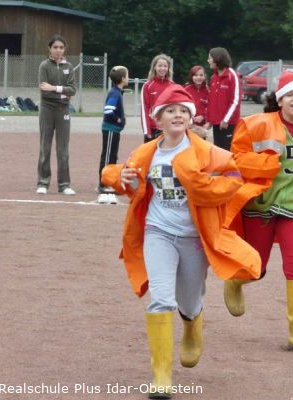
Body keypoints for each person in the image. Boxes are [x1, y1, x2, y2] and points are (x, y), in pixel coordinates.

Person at [101, 85, 260, 399]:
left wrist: (200, 185)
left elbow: (234, 179)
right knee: (161, 299)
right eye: (170, 111)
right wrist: (122, 180)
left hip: (194, 238)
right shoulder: (147, 152)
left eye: (183, 111)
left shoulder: (206, 151)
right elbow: (125, 178)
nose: (177, 115)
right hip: (157, 232)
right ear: (157, 119)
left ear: (191, 118)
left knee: (189, 301)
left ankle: (191, 325)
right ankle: (161, 376)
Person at [222, 71, 293, 355]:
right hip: (260, 207)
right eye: (290, 95)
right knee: (256, 268)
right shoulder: (258, 124)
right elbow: (235, 158)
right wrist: (264, 165)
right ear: (279, 99)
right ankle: (235, 282)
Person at [36, 34, 76, 195]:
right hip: (47, 109)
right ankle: (43, 182)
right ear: (50, 49)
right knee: (45, 146)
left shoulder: (69, 67)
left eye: (61, 47)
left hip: (63, 110)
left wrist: (54, 88)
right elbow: (44, 92)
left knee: (63, 149)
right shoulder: (44, 66)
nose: (58, 50)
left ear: (64, 49)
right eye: (55, 47)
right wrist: (63, 94)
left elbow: (72, 90)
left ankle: (64, 185)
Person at [97, 66, 129, 204]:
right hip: (110, 129)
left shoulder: (118, 92)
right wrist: (118, 120)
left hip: (115, 130)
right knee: (108, 156)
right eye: (127, 76)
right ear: (122, 78)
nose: (128, 78)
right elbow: (108, 111)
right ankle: (103, 183)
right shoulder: (115, 93)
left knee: (112, 156)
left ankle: (109, 181)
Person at [205, 47, 241, 150]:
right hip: (216, 123)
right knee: (218, 151)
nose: (208, 61)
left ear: (217, 59)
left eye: (210, 58)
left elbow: (235, 101)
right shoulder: (213, 78)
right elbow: (211, 100)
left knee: (227, 152)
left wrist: (226, 120)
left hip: (228, 124)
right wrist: (209, 120)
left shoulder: (232, 75)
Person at [141, 54, 174, 143]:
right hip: (153, 130)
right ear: (154, 67)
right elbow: (144, 109)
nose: (162, 68)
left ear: (168, 68)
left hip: (168, 129)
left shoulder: (173, 86)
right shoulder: (147, 86)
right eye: (160, 66)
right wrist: (147, 131)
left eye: (165, 66)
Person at [183, 65, 209, 139]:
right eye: (196, 75)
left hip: (201, 128)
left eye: (201, 75)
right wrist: (190, 119)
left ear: (204, 76)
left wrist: (203, 117)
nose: (198, 77)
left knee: (200, 146)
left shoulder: (208, 90)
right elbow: (182, 107)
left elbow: (211, 108)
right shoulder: (186, 89)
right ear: (191, 76)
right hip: (188, 126)